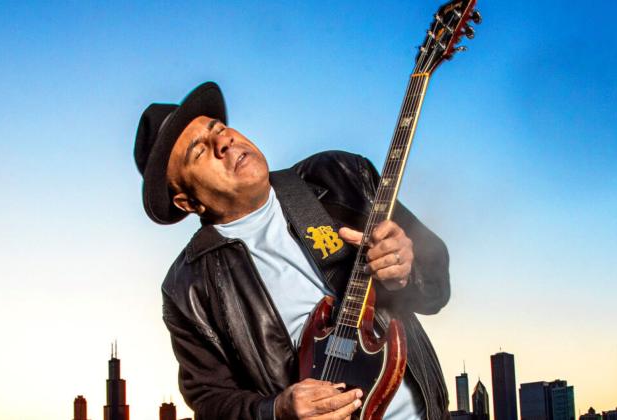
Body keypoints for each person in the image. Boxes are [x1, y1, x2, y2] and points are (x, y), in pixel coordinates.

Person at [134, 82, 451, 420]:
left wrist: (408, 267)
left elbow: (437, 290)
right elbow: (210, 400)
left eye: (220, 128)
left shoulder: (339, 175)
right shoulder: (187, 287)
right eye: (199, 151)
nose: (223, 142)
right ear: (187, 201)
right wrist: (276, 409)